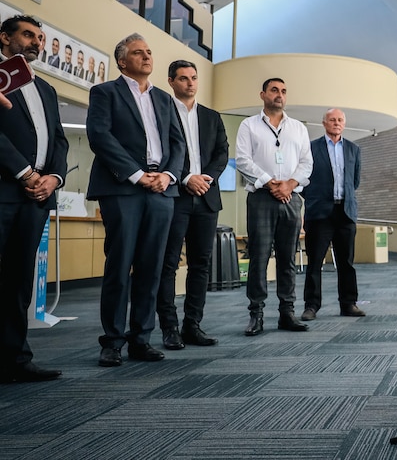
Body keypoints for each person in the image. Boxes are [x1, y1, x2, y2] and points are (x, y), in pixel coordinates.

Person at [86, 33, 184, 367]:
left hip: (161, 190)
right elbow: (100, 136)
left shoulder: (165, 99)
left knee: (151, 268)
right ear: (122, 61)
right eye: (137, 53)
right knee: (119, 265)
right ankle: (112, 342)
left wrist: (168, 175)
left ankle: (140, 339)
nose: (146, 57)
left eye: (149, 52)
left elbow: (178, 144)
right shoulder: (104, 93)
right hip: (123, 189)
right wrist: (135, 174)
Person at [0, 15, 67, 382]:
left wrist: (53, 179)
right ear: (5, 38)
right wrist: (25, 173)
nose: (36, 42)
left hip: (36, 198)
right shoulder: (0, 79)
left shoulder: (46, 89)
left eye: (40, 38)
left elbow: (58, 139)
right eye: (28, 35)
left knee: (19, 281)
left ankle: (15, 360)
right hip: (5, 188)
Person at [157, 60, 228, 350]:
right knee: (168, 264)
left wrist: (205, 179)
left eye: (194, 78)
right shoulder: (161, 113)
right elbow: (160, 152)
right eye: (183, 78)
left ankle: (192, 325)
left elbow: (222, 153)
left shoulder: (212, 116)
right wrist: (186, 178)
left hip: (207, 197)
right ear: (172, 82)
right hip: (175, 195)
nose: (190, 83)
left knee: (201, 264)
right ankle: (169, 328)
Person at [235, 78, 313, 336]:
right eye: (274, 90)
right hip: (261, 198)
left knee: (287, 258)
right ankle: (256, 314)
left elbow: (306, 164)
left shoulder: (298, 128)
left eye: (283, 91)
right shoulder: (249, 125)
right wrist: (271, 183)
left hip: (291, 198)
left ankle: (286, 313)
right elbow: (243, 161)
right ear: (263, 94)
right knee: (258, 256)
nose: (279, 95)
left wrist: (289, 185)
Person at [301, 108, 364, 322]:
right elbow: (302, 180)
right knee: (315, 263)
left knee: (346, 262)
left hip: (345, 212)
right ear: (324, 123)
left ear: (344, 124)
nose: (336, 123)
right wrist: (314, 199)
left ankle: (348, 304)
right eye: (332, 120)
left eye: (340, 120)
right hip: (319, 213)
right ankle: (311, 306)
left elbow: (354, 181)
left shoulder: (354, 149)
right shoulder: (310, 148)